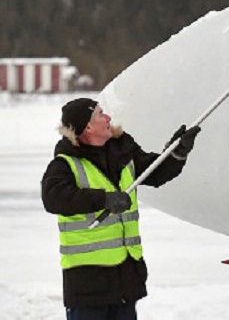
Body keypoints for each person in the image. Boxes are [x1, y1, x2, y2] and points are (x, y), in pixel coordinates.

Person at [41, 97, 201, 320]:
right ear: (87, 126)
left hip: (125, 278)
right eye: (100, 114)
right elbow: (53, 198)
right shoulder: (65, 163)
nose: (107, 118)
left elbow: (155, 172)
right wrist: (104, 200)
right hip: (88, 283)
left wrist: (176, 152)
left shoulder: (123, 152)